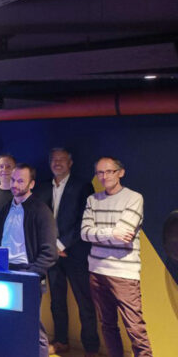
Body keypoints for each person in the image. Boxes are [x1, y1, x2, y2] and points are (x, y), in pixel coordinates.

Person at [81, 157, 153, 357]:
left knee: (135, 327)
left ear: (121, 172)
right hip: (96, 271)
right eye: (100, 173)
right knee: (107, 325)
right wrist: (112, 233)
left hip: (124, 273)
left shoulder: (134, 198)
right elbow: (85, 233)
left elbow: (126, 235)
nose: (104, 176)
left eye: (109, 171)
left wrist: (100, 233)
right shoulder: (92, 200)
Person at [35, 148, 98, 356]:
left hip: (75, 254)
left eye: (62, 160)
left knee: (84, 302)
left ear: (70, 163)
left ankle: (91, 347)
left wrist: (61, 245)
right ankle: (61, 341)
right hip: (52, 256)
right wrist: (50, 246)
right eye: (54, 160)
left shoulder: (83, 186)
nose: (57, 163)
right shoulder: (43, 187)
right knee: (57, 301)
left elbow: (84, 220)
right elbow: (39, 220)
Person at [0, 163, 58, 357]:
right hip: (5, 272)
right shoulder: (5, 208)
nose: (15, 184)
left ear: (32, 184)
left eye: (21, 180)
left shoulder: (41, 210)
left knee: (31, 327)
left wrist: (31, 275)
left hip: (27, 274)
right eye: (13, 180)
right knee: (7, 325)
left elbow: (50, 253)